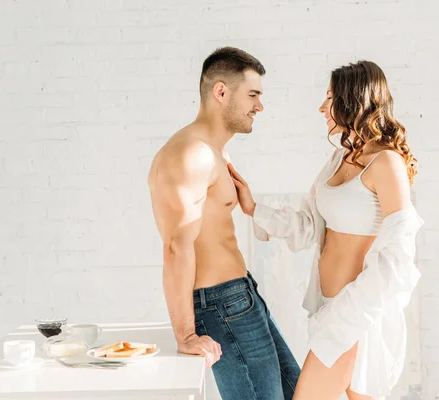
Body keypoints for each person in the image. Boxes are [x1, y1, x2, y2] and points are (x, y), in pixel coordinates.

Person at [229, 60, 424, 400]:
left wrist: (351, 312)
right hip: (328, 307)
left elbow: (399, 255)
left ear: (352, 100)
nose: (322, 107)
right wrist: (253, 208)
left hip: (356, 315)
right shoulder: (339, 159)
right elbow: (308, 226)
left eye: (330, 97)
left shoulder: (387, 163)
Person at [147, 46, 301, 400]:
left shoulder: (214, 150)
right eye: (253, 95)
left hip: (241, 297)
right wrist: (185, 334)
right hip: (221, 305)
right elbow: (176, 245)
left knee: (302, 392)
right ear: (221, 91)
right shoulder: (191, 153)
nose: (259, 106)